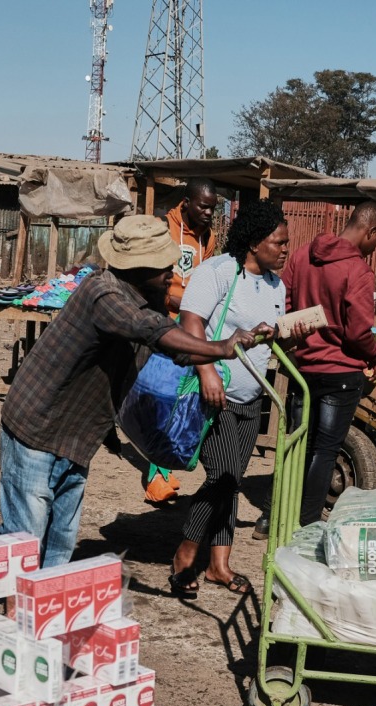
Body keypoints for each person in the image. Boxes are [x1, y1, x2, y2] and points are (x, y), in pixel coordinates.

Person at [0, 215, 268, 568]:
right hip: (36, 427)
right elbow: (151, 330)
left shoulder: (147, 296)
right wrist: (221, 348)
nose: (171, 273)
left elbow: (174, 347)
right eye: (163, 266)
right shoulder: (104, 292)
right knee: (26, 537)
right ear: (138, 267)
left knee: (60, 539)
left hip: (78, 434)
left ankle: (44, 614)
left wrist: (232, 344)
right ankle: (13, 612)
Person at [168, 200, 289, 596]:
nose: (285, 249)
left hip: (251, 399)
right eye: (278, 242)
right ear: (254, 243)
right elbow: (191, 323)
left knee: (231, 480)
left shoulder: (276, 286)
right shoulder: (219, 271)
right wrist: (205, 372)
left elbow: (266, 335)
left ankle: (219, 564)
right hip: (214, 394)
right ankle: (186, 554)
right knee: (223, 476)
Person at [282, 201, 376, 526]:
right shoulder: (358, 270)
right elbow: (357, 331)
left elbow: (283, 301)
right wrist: (375, 355)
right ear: (370, 231)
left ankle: (277, 515)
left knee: (297, 446)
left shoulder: (300, 255)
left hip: (302, 369)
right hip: (340, 374)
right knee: (324, 451)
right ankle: (307, 523)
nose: (373, 249)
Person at [146, 178, 220, 504]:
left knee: (180, 395)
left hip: (191, 324)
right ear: (186, 203)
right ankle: (153, 478)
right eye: (203, 206)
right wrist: (172, 303)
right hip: (164, 320)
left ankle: (164, 465)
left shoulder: (210, 239)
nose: (208, 213)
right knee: (163, 394)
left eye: (212, 208)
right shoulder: (164, 228)